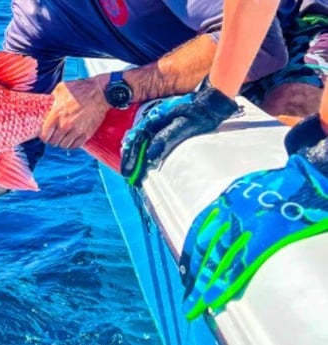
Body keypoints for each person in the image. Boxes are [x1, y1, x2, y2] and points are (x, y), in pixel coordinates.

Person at [0, 0, 328, 220]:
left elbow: (261, 50)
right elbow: (14, 160)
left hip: (296, 27)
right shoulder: (36, 25)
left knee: (294, 117)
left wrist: (110, 90)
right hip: (211, 63)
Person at [120, 0, 328, 320]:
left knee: (297, 101)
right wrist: (214, 99)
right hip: (273, 26)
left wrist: (321, 166)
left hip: (310, 20)